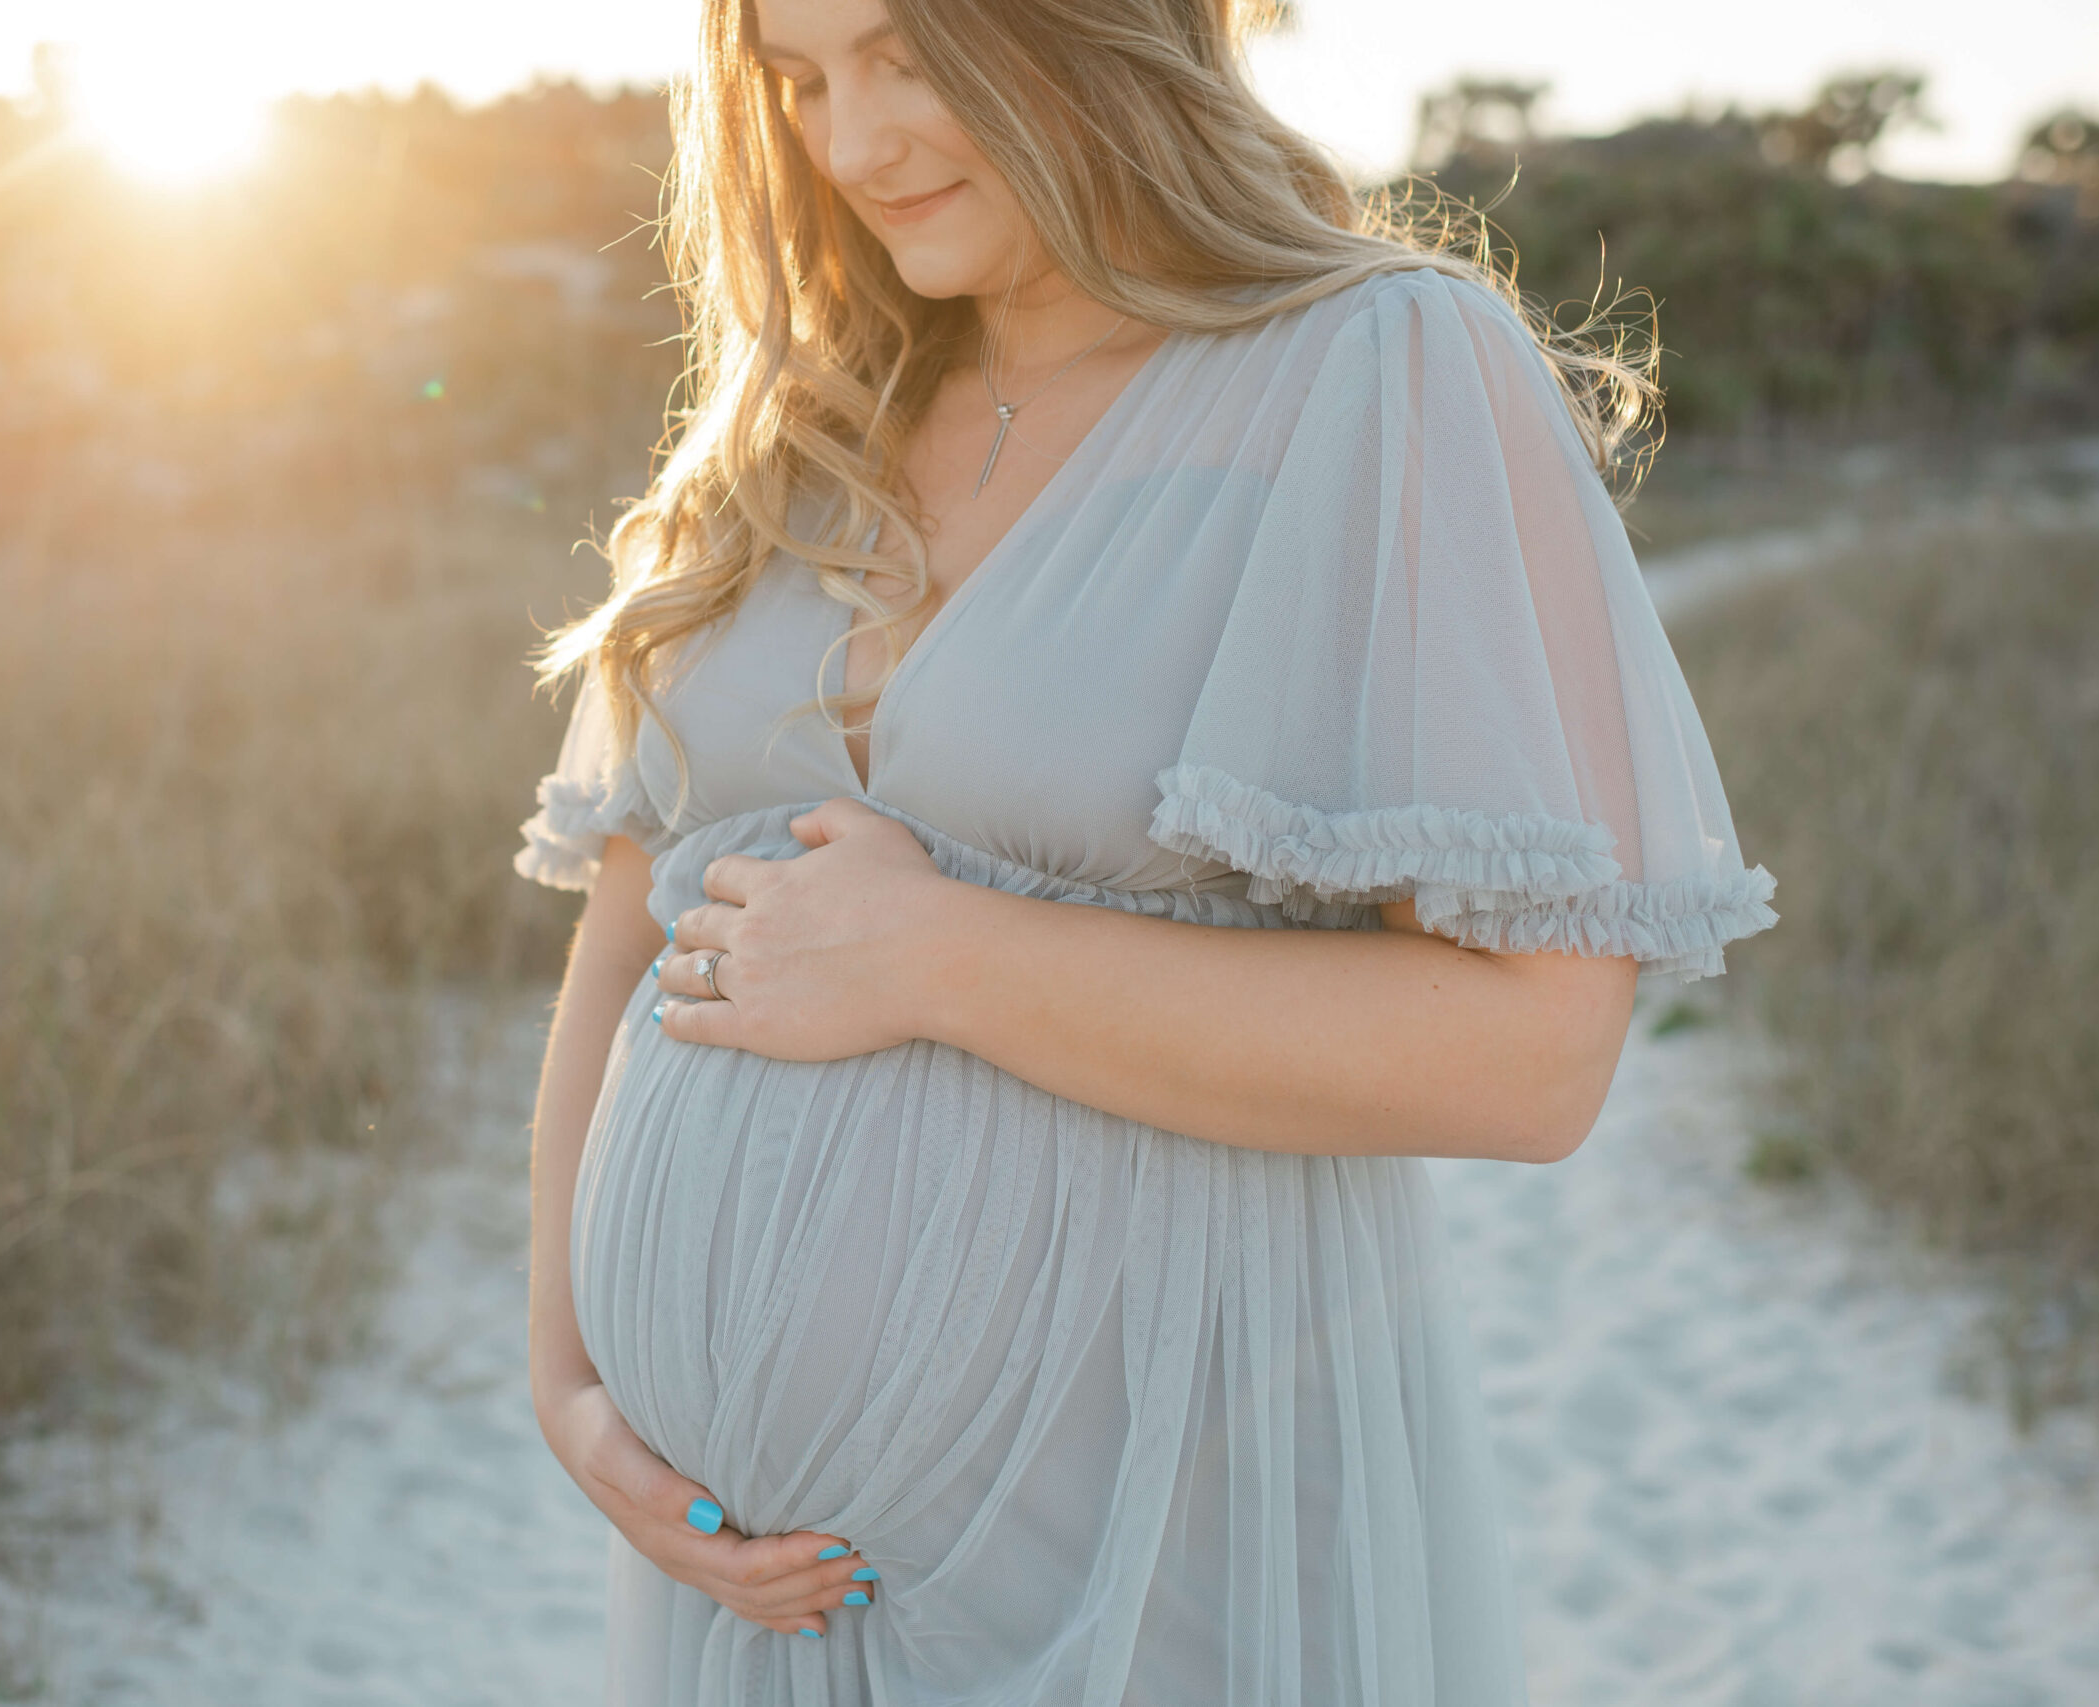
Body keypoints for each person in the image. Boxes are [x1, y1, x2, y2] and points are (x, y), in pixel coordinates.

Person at [512, 0, 1777, 1700]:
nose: (850, 142)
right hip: (744, 1589)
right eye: (802, 78)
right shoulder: (799, 416)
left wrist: (941, 958)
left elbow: (1534, 1054)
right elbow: (626, 927)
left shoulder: (1378, 367)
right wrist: (574, 1383)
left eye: (905, 54)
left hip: (1155, 1515)